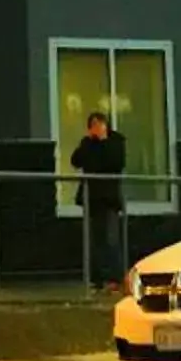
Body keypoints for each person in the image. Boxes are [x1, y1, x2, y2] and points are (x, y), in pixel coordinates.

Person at [70, 108, 129, 290]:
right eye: (93, 126)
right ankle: (97, 278)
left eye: (99, 125)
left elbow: (115, 163)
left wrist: (102, 143)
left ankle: (115, 277)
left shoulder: (116, 142)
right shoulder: (87, 143)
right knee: (94, 240)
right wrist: (88, 142)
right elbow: (76, 161)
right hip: (92, 197)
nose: (96, 129)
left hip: (109, 197)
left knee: (111, 238)